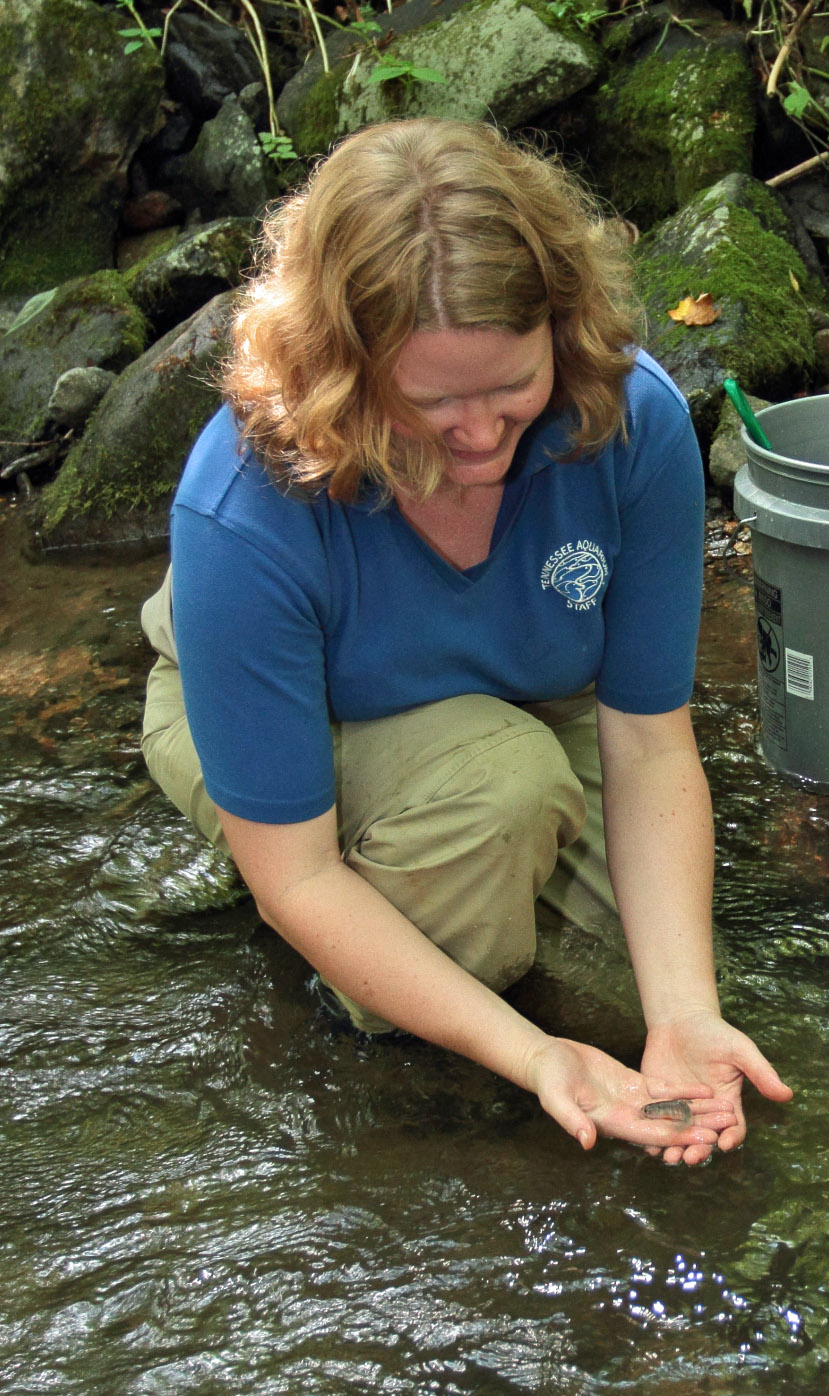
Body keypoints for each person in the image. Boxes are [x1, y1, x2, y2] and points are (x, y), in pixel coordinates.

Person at [139, 117, 791, 1165]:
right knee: (505, 797)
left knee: (647, 991)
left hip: (522, 691)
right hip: (303, 708)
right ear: (344, 370)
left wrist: (685, 1010)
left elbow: (649, 741)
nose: (481, 436)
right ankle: (362, 992)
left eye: (509, 390)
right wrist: (536, 1058)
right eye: (431, 403)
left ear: (561, 332)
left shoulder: (635, 425)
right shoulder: (244, 507)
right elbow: (297, 874)